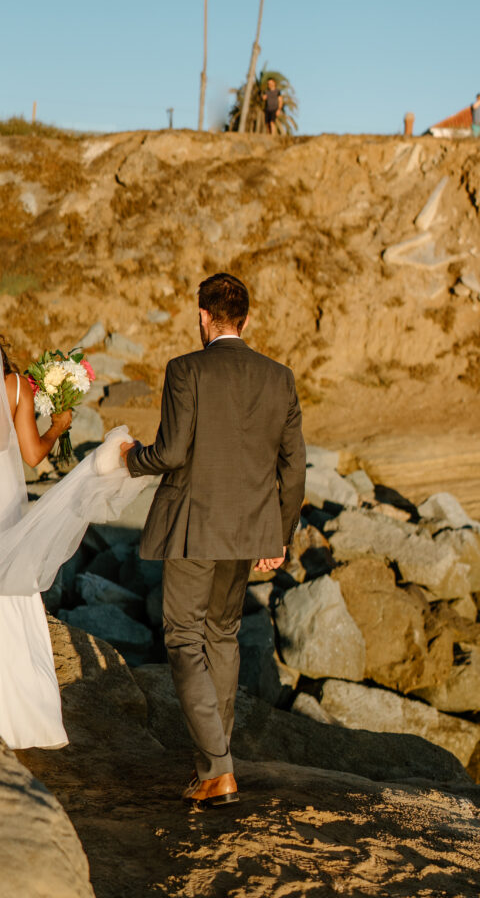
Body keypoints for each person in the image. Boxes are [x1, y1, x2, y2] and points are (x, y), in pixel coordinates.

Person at [0, 304, 147, 749]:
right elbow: (34, 456)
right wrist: (56, 427)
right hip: (2, 515)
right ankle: (23, 716)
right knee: (9, 605)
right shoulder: (16, 387)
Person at [121, 273, 306, 807]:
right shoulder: (280, 377)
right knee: (222, 635)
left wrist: (131, 458)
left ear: (203, 316)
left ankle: (218, 769)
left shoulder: (185, 369)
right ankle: (215, 764)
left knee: (182, 637)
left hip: (193, 526)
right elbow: (294, 470)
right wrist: (280, 534)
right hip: (249, 531)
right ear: (245, 320)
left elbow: (172, 452)